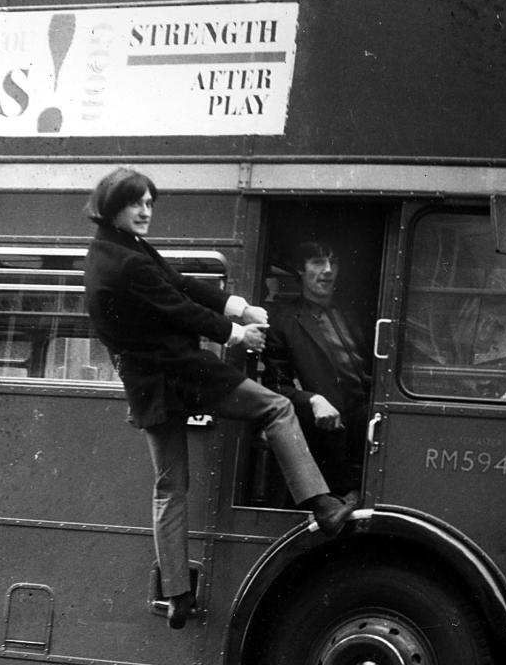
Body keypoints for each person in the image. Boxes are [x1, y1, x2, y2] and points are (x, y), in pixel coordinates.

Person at [83, 168, 354, 630]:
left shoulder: (115, 249)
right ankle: (323, 505)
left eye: (151, 202)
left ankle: (176, 595)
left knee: (170, 487)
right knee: (278, 406)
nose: (146, 211)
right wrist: (237, 333)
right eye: (137, 203)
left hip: (149, 387)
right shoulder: (126, 260)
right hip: (184, 373)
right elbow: (179, 307)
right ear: (113, 205)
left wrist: (237, 304)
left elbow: (183, 284)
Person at [261, 241, 373, 497]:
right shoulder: (284, 321)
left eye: (333, 262)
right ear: (301, 270)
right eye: (318, 262)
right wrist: (312, 399)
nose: (328, 270)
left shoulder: (353, 314)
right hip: (327, 440)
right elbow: (275, 386)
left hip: (367, 429)